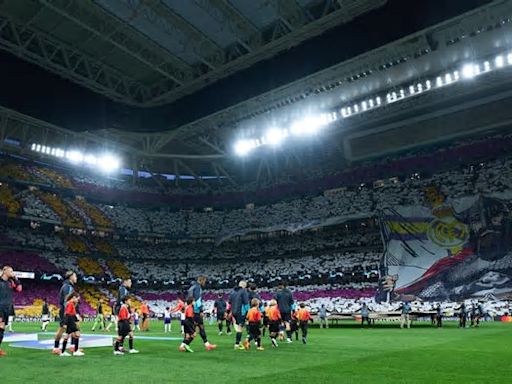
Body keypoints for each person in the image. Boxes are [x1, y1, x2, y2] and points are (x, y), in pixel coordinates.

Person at [187, 276, 216, 351]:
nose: (205, 283)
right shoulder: (197, 288)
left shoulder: (192, 287)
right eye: (204, 281)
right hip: (196, 311)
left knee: (197, 329)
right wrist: (201, 310)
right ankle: (184, 345)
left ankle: (207, 344)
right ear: (201, 280)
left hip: (191, 310)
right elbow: (197, 300)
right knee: (200, 328)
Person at [52, 270, 77, 354]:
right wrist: (70, 313)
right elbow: (67, 301)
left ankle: (72, 346)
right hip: (66, 311)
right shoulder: (67, 287)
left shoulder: (67, 286)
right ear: (71, 277)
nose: (76, 278)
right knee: (62, 329)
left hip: (67, 311)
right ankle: (56, 348)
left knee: (73, 328)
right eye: (75, 276)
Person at [0, 265, 22, 356]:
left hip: (7, 308)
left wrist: (16, 278)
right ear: (5, 271)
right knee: (0, 326)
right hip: (0, 307)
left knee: (2, 329)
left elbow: (19, 289)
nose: (12, 273)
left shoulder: (11, 282)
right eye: (11, 271)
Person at [60, 292, 84, 357]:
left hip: (70, 320)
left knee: (67, 336)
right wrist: (66, 323)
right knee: (77, 334)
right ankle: (76, 351)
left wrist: (76, 319)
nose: (77, 301)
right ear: (73, 297)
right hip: (70, 320)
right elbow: (67, 314)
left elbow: (70, 313)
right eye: (77, 299)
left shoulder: (70, 303)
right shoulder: (70, 304)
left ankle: (63, 352)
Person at [229, 280, 249, 350]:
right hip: (241, 312)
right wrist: (248, 312)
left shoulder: (233, 291)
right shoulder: (244, 291)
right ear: (244, 286)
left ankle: (238, 342)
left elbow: (229, 302)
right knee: (240, 328)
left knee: (238, 328)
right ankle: (237, 344)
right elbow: (246, 302)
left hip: (234, 312)